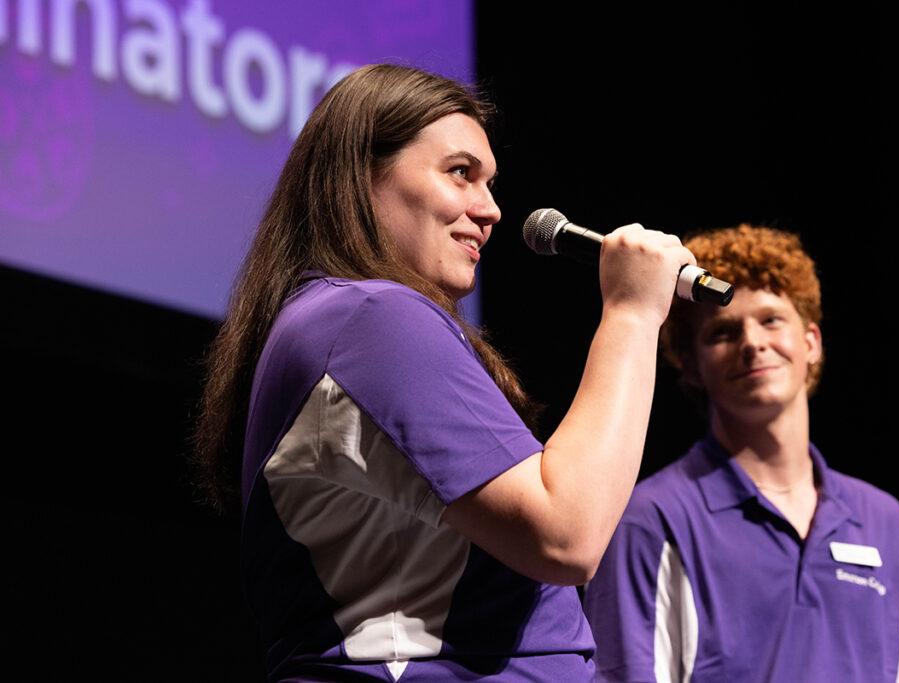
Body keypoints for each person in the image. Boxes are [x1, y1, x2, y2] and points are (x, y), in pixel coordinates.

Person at [192, 64, 694, 681]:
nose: (491, 211)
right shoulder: (370, 317)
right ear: (361, 175)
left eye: (489, 182)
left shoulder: (335, 319)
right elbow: (568, 532)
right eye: (460, 173)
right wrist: (633, 313)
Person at [583, 225, 899, 682]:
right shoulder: (650, 518)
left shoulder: (883, 519)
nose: (753, 343)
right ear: (692, 365)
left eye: (771, 320)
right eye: (723, 331)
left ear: (811, 343)